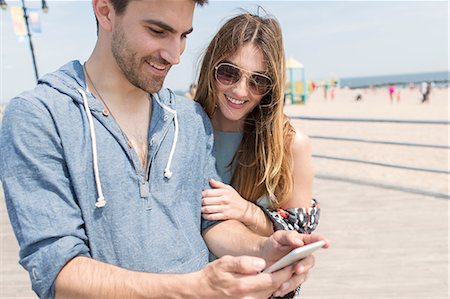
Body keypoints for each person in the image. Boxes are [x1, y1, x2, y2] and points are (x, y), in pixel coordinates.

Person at [0, 1, 329, 299]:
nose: (175, 55)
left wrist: (263, 248)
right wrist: (193, 288)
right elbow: (57, 271)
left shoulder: (188, 117)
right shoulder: (38, 117)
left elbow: (210, 224)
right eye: (158, 31)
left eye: (184, 35)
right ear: (105, 10)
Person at [195, 13, 321, 298]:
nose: (239, 90)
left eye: (258, 81)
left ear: (272, 86)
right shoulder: (184, 128)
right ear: (210, 67)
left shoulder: (290, 145)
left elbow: (296, 239)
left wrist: (247, 211)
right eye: (228, 72)